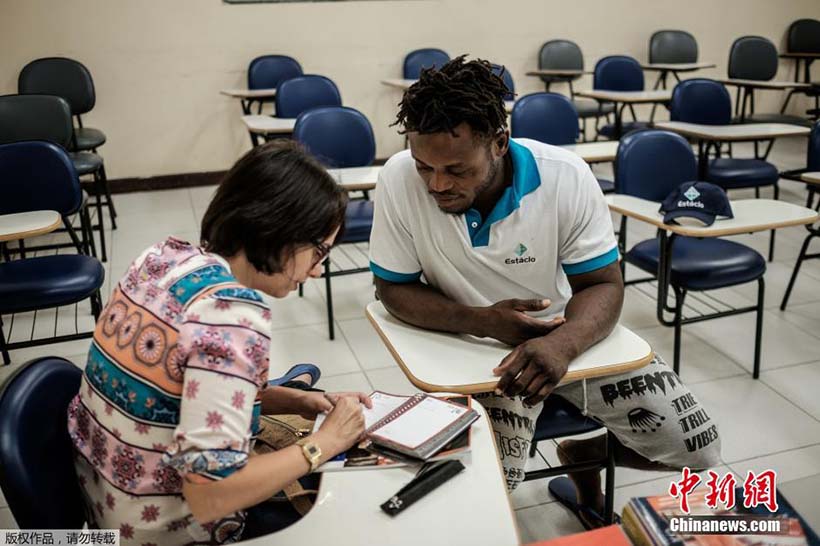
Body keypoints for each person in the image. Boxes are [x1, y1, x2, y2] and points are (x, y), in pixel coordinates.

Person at [368, 56, 721, 527]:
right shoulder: (397, 178)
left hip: (566, 335)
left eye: (456, 169)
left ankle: (587, 453)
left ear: (498, 143)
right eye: (424, 166)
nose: (436, 184)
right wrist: (481, 321)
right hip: (470, 347)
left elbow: (602, 285)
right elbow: (392, 288)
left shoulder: (565, 176)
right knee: (489, 489)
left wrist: (561, 343)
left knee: (699, 445)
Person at [68, 141, 371, 545]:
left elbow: (179, 391)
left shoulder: (162, 258)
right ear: (280, 230)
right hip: (163, 531)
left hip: (102, 504)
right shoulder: (233, 318)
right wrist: (324, 442)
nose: (318, 271)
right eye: (318, 252)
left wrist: (295, 400)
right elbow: (210, 496)